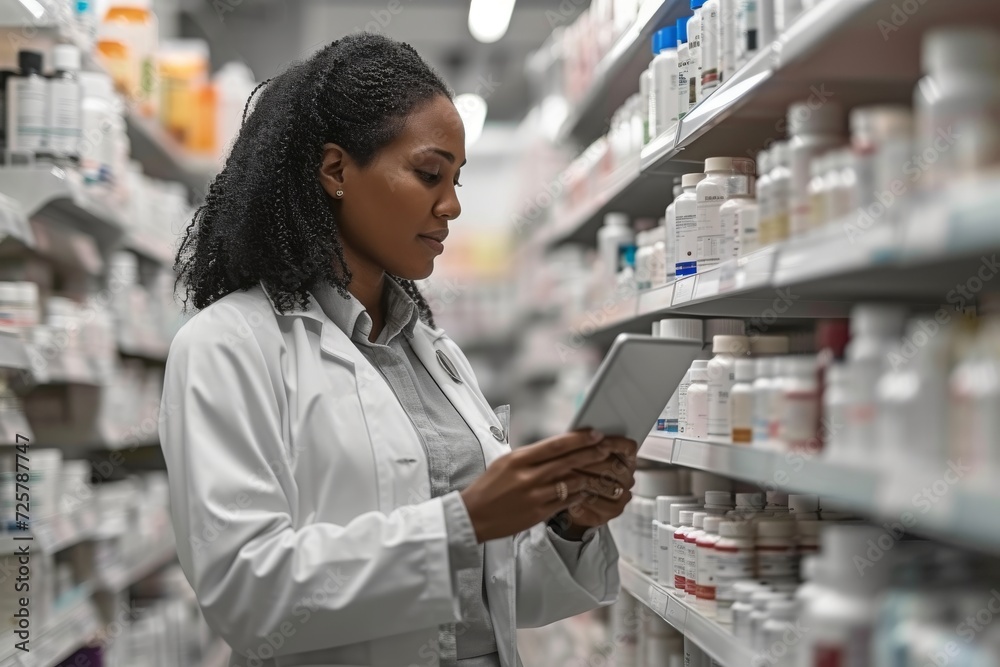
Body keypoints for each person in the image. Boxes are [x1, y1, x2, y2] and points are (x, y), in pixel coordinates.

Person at [160, 33, 638, 667]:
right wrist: (462, 522)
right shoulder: (228, 347)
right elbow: (249, 596)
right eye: (428, 174)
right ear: (335, 171)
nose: (452, 206)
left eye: (458, 179)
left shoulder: (432, 353)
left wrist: (569, 522)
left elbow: (489, 594)